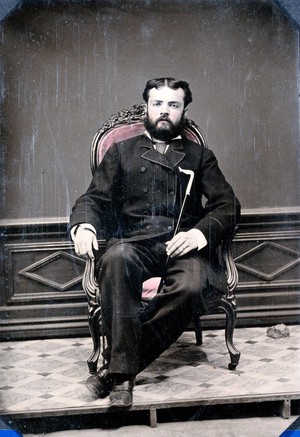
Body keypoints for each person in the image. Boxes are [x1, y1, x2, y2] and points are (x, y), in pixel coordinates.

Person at [70, 77, 241, 408]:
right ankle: (122, 374)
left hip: (183, 247)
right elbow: (93, 199)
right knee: (115, 260)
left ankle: (116, 372)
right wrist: (85, 227)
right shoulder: (121, 153)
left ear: (184, 111)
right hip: (133, 243)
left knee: (193, 286)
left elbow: (227, 205)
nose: (165, 112)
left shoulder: (200, 156)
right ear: (146, 108)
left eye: (173, 105)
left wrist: (197, 234)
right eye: (158, 104)